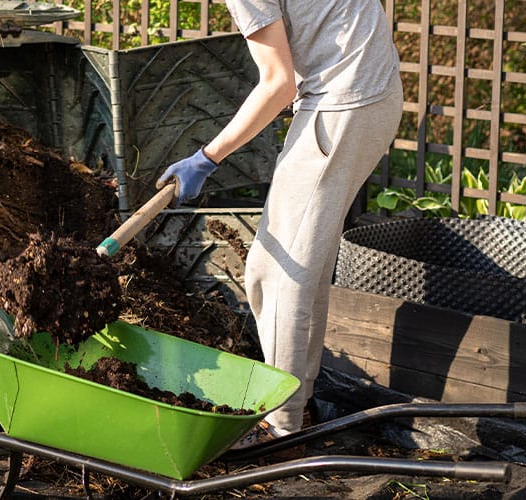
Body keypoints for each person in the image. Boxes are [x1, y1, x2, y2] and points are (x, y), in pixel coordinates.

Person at [156, 0, 403, 446]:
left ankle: (279, 423)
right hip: (370, 92)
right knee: (301, 264)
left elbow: (278, 83)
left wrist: (206, 157)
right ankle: (297, 400)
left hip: (343, 104)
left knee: (276, 272)